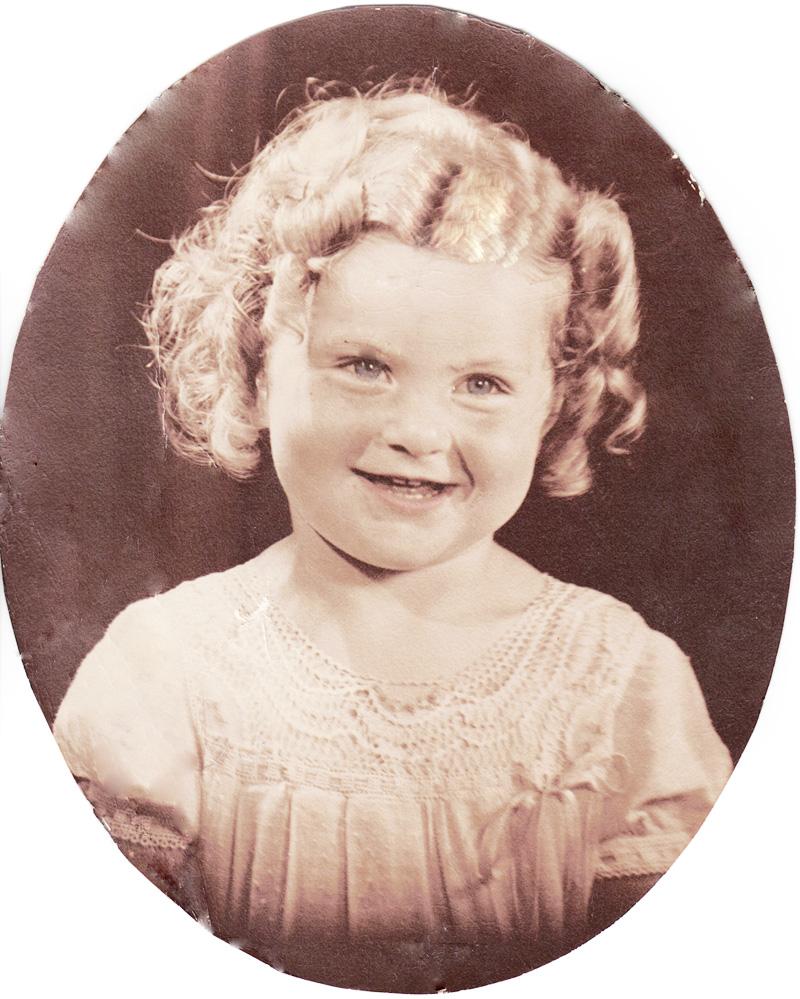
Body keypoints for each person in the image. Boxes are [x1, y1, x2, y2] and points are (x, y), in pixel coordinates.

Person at [53, 80, 732, 992]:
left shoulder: (625, 685)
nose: (418, 430)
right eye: (364, 365)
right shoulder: (161, 670)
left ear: (554, 403)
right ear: (256, 371)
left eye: (481, 384)